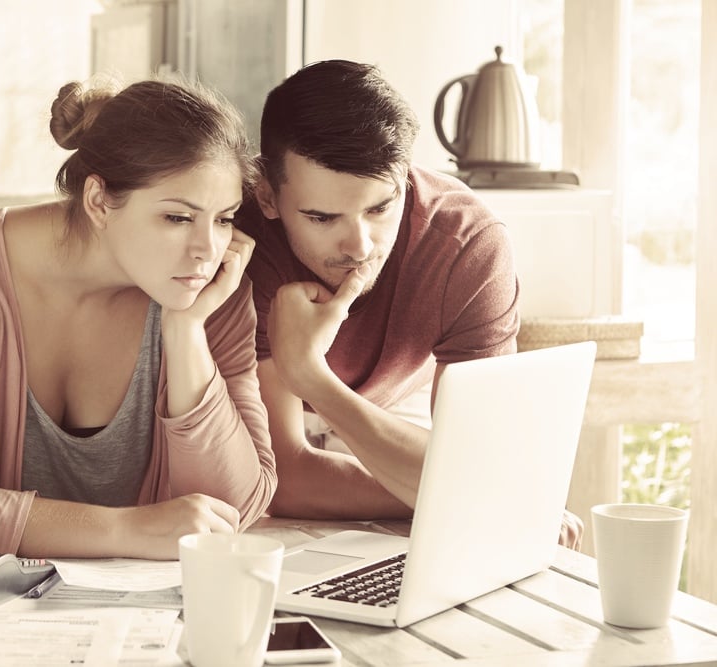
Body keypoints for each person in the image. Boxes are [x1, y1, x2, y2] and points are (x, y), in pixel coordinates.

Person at [0, 75, 277, 560]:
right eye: (177, 217)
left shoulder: (213, 289)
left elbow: (236, 509)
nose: (207, 249)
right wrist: (128, 530)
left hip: (148, 624)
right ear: (98, 201)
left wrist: (187, 332)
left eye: (224, 218)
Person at [237, 59, 583, 548]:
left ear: (407, 177)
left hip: (402, 406)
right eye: (321, 218)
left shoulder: (468, 244)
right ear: (268, 197)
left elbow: (475, 458)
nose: (358, 246)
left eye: (380, 208)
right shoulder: (244, 241)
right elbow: (286, 481)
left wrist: (310, 374)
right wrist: (488, 497)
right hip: (269, 428)